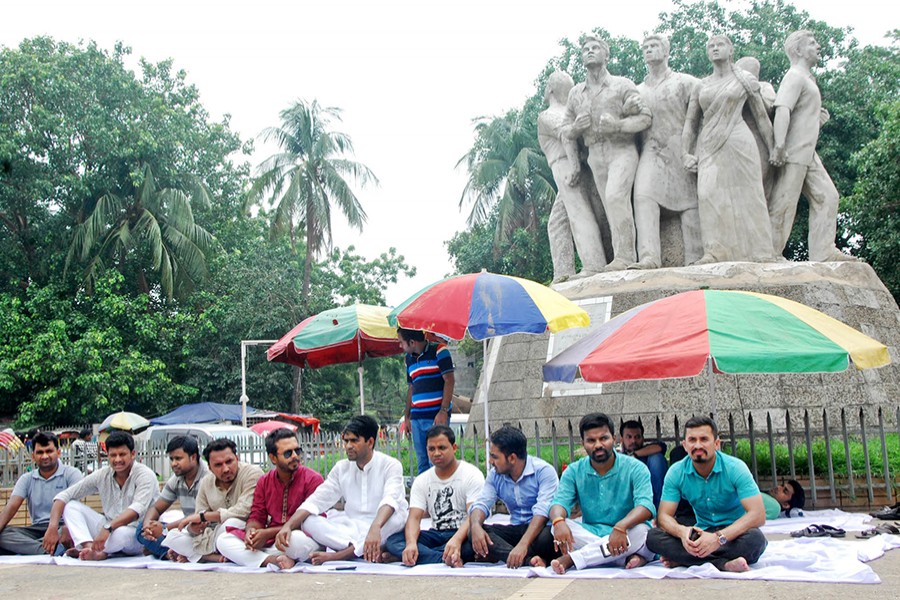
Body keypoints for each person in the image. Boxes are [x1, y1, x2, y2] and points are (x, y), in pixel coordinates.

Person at [682, 35, 776, 264]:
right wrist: (685, 153)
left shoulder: (745, 80)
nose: (715, 48)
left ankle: (761, 252)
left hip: (739, 139)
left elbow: (761, 117)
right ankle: (714, 252)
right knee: (708, 194)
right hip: (709, 145)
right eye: (710, 46)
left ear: (730, 49)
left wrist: (775, 148)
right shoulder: (701, 85)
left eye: (720, 44)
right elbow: (691, 123)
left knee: (750, 194)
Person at [563, 35, 651, 272]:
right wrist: (575, 128)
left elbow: (645, 117)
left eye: (595, 48)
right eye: (585, 49)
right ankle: (620, 256)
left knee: (615, 197)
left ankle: (625, 256)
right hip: (595, 155)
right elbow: (565, 130)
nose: (589, 52)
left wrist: (618, 126)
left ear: (606, 55)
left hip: (621, 149)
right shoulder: (575, 93)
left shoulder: (622, 85)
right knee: (609, 206)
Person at [768, 30, 855, 263]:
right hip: (793, 150)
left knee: (828, 196)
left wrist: (817, 121)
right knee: (784, 202)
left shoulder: (808, 79)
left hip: (808, 151)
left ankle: (823, 251)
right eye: (812, 43)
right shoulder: (794, 76)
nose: (818, 46)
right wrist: (779, 145)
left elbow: (800, 116)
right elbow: (783, 109)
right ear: (798, 50)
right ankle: (770, 253)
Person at [275, 415, 408, 564]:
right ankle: (364, 550)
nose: (348, 446)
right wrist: (287, 526)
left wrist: (375, 527)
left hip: (382, 526)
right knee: (308, 520)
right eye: (346, 441)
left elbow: (390, 500)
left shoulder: (390, 465)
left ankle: (338, 556)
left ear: (370, 442)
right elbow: (317, 500)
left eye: (354, 441)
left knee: (396, 518)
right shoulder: (341, 468)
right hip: (353, 529)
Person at [647, 416, 768, 572]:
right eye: (692, 440)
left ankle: (688, 560)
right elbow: (663, 517)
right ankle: (723, 564)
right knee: (653, 537)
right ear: (685, 445)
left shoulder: (735, 468)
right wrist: (683, 533)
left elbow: (758, 515)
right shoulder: (676, 472)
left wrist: (718, 539)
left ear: (716, 444)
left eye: (704, 439)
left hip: (733, 534)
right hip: (700, 531)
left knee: (755, 540)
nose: (698, 445)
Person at [548, 413, 655, 574]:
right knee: (557, 527)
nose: (598, 445)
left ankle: (575, 559)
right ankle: (621, 557)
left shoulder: (636, 468)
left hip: (628, 531)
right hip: (593, 531)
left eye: (603, 439)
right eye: (591, 440)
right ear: (583, 443)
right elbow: (559, 503)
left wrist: (621, 526)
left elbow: (645, 507)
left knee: (643, 532)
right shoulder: (574, 471)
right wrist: (558, 521)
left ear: (614, 439)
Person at [633, 34, 702, 269]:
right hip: (651, 151)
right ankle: (649, 257)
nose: (649, 50)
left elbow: (700, 119)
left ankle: (696, 257)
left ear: (666, 51)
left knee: (692, 203)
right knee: (643, 196)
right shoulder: (636, 91)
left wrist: (696, 152)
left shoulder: (686, 83)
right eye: (645, 47)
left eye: (654, 46)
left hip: (680, 149)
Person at [216, 428, 324, 570]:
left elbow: (313, 523)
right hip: (274, 542)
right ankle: (273, 560)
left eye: (297, 451)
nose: (295, 456)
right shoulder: (264, 481)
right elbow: (257, 515)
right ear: (273, 458)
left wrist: (267, 533)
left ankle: (264, 558)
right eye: (287, 453)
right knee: (223, 540)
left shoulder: (313, 479)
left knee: (295, 540)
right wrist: (252, 533)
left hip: (303, 538)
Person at [455, 425, 558, 569]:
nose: (490, 461)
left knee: (548, 538)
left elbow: (542, 512)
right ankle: (529, 561)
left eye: (494, 457)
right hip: (514, 529)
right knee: (475, 533)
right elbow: (482, 504)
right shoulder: (495, 474)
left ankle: (507, 554)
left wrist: (523, 545)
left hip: (539, 531)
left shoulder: (544, 471)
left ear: (512, 458)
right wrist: (476, 525)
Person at [538, 70, 608, 281]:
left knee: (579, 213)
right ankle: (562, 272)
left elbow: (566, 135)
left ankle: (594, 265)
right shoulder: (573, 113)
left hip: (566, 166)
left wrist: (575, 167)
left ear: (549, 89)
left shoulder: (547, 115)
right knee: (557, 222)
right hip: (584, 165)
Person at [45, 430, 157, 560]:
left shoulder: (145, 475)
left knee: (120, 533)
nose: (117, 460)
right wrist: (52, 527)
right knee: (71, 506)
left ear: (132, 454)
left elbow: (137, 509)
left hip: (136, 534)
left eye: (122, 454)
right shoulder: (103, 474)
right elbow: (64, 496)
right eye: (113, 455)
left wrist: (108, 528)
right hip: (107, 530)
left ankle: (102, 552)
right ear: (107, 455)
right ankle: (89, 547)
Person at [384, 425, 484, 565]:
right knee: (394, 541)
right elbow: (414, 518)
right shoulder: (421, 480)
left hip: (464, 534)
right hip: (436, 533)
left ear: (454, 448)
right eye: (431, 449)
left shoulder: (471, 474)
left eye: (442, 448)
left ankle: (420, 556)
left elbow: (473, 516)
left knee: (475, 544)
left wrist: (456, 540)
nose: (436, 453)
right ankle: (446, 558)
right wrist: (411, 544)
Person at [162, 438, 263, 563]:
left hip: (242, 529)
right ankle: (212, 555)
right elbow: (199, 516)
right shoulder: (207, 482)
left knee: (229, 524)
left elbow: (244, 510)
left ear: (237, 459)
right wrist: (193, 528)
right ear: (209, 467)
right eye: (218, 465)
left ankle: (201, 556)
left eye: (229, 462)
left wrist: (204, 517)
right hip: (212, 534)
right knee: (173, 536)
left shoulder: (252, 474)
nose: (225, 469)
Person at [0, 432, 83, 555]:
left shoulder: (72, 474)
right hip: (36, 529)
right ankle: (46, 550)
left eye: (49, 451)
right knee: (4, 534)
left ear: (58, 453)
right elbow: (11, 507)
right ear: (33, 456)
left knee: (71, 531)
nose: (44, 456)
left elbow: (76, 507)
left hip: (63, 527)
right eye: (40, 452)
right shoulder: (26, 479)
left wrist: (65, 528)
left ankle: (32, 548)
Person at [137, 435, 208, 559]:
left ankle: (170, 552)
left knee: (174, 537)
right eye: (171, 459)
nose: (174, 463)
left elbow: (200, 518)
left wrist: (164, 529)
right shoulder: (177, 479)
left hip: (204, 529)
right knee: (140, 530)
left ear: (193, 457)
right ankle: (174, 553)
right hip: (185, 529)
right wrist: (148, 527)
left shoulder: (208, 478)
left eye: (178, 458)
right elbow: (156, 508)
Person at [399, 328, 455, 474]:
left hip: (436, 417)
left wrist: (443, 411)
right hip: (417, 418)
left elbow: (449, 380)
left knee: (437, 461)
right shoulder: (408, 359)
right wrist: (407, 416)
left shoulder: (439, 350)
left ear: (412, 342)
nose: (400, 346)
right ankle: (425, 495)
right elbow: (411, 388)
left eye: (401, 342)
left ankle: (440, 494)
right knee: (422, 462)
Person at [619, 419, 668, 507]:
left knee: (657, 458)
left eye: (637, 437)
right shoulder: (617, 456)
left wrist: (635, 455)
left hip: (653, 494)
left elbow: (660, 447)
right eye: (629, 437)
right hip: (629, 499)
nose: (633, 441)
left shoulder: (647, 451)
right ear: (621, 439)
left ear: (642, 438)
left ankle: (660, 509)